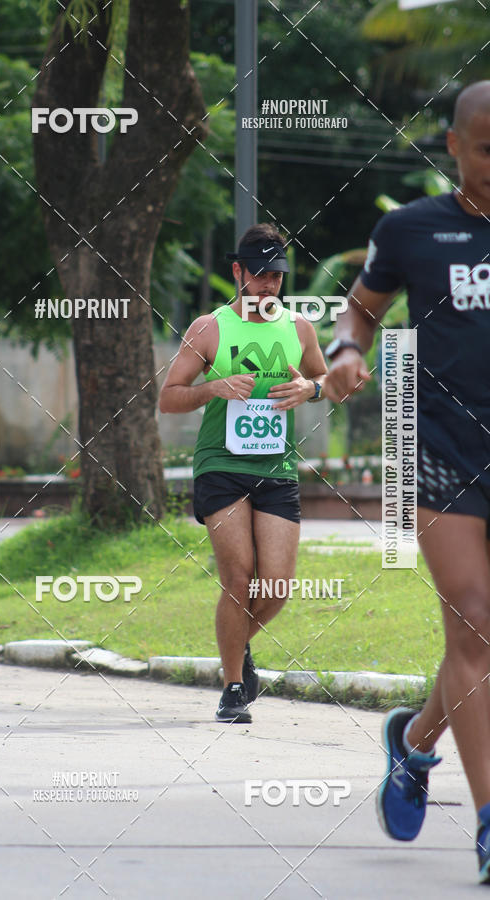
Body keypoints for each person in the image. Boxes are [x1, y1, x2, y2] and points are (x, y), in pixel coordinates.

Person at [325, 80, 490, 883]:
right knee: (475, 625)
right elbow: (361, 309)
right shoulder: (411, 229)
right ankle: (489, 827)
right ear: (454, 146)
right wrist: (346, 351)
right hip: (444, 451)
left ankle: (415, 743)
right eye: (487, 148)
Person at [159, 223, 328, 723]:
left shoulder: (299, 329)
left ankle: (236, 647)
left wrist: (311, 390)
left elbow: (329, 379)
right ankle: (233, 687)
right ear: (238, 271)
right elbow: (169, 398)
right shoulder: (209, 328)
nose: (268, 285)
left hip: (276, 467)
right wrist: (212, 388)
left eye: (276, 276)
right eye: (259, 275)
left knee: (275, 587)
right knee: (239, 578)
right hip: (221, 465)